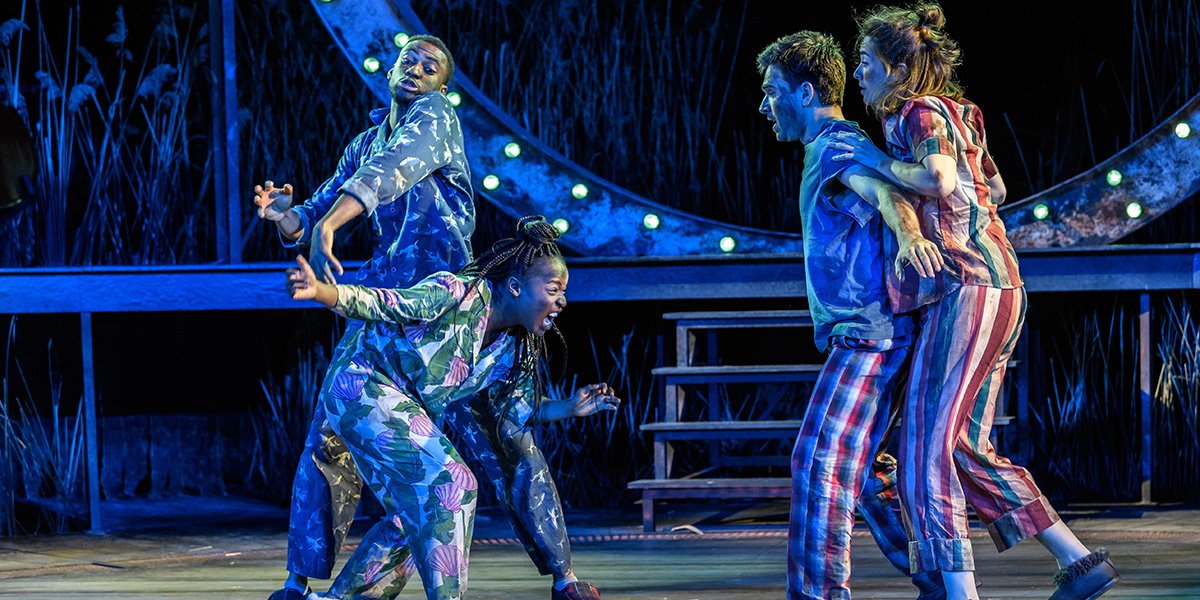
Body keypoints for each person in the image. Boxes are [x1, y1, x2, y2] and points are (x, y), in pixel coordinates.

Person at [256, 35, 600, 600]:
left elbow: (391, 173)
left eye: (431, 65)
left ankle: (563, 575)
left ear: (443, 84)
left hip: (447, 314)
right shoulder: (367, 141)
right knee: (331, 438)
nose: (417, 69)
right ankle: (302, 586)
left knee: (501, 436)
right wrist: (290, 217)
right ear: (390, 69)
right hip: (390, 315)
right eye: (409, 59)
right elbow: (316, 210)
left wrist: (328, 227)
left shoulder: (435, 118)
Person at [829, 4, 1119, 599]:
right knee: (963, 445)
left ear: (897, 67)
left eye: (865, 64)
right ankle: (1080, 560)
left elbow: (937, 179)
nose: (859, 76)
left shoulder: (918, 111)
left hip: (966, 289)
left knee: (923, 449)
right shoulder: (964, 111)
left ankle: (959, 593)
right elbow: (997, 187)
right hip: (1000, 286)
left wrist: (879, 163)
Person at [285, 216, 619, 600]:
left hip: (398, 403)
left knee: (414, 519)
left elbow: (514, 411)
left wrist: (569, 408)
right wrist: (324, 292)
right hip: (364, 386)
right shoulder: (456, 293)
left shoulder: (509, 346)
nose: (562, 301)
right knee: (452, 483)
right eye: (554, 289)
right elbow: (387, 303)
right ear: (514, 286)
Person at [756, 30, 947, 600]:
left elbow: (885, 194)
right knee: (862, 474)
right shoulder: (830, 145)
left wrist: (911, 235)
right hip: (879, 333)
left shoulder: (838, 143)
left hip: (868, 334)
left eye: (773, 92)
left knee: (818, 461)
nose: (765, 105)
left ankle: (816, 595)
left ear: (807, 92)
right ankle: (942, 578)